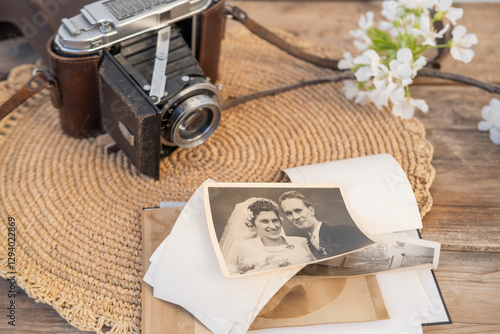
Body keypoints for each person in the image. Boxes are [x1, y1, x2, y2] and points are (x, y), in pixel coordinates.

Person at [219, 198, 314, 275]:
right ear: (253, 224)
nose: (272, 226)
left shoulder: (302, 242)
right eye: (264, 221)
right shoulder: (246, 247)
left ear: (280, 220)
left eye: (275, 220)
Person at [278, 190, 374, 259]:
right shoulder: (307, 246)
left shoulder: (345, 231)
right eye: (289, 213)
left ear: (311, 210)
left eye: (298, 211)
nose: (295, 217)